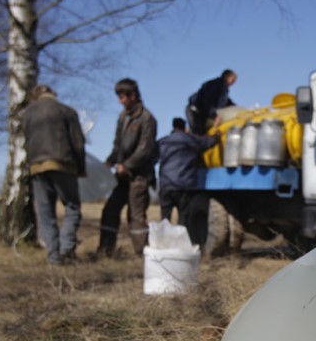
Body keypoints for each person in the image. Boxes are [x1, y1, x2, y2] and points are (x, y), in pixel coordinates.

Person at [21, 84, 86, 266]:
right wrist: (81, 167)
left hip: (36, 167)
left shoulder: (27, 114)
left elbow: (25, 142)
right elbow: (78, 143)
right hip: (63, 163)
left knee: (45, 212)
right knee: (72, 207)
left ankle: (53, 256)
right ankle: (66, 249)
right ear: (53, 95)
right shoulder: (66, 111)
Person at [94, 78, 157, 258]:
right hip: (121, 177)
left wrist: (127, 165)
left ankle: (143, 254)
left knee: (135, 217)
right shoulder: (123, 117)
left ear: (133, 95)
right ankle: (105, 250)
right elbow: (118, 145)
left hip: (139, 176)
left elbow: (145, 149)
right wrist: (110, 160)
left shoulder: (147, 119)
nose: (120, 101)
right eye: (119, 97)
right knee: (110, 210)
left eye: (122, 97)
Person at [157, 117, 220, 246]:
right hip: (183, 186)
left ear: (173, 127)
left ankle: (162, 246)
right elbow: (207, 143)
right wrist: (217, 132)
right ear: (184, 127)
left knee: (165, 219)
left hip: (165, 185)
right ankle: (180, 248)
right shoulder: (189, 140)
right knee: (183, 219)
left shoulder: (163, 142)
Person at [186, 69, 237, 134]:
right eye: (233, 79)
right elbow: (206, 101)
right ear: (227, 77)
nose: (234, 82)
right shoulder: (215, 86)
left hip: (204, 114)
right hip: (195, 111)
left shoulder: (223, 90)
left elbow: (228, 103)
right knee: (198, 135)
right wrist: (214, 116)